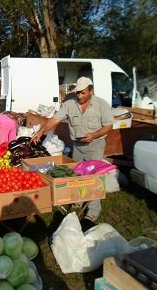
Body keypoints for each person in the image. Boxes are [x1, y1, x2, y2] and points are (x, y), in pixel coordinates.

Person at [31, 76, 114, 222]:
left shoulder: (102, 105)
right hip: (77, 145)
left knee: (92, 178)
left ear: (91, 91)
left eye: (83, 93)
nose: (79, 96)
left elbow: (108, 126)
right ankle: (79, 201)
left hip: (95, 145)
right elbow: (54, 120)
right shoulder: (70, 104)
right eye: (78, 93)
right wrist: (40, 132)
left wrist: (94, 135)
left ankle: (93, 211)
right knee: (76, 175)